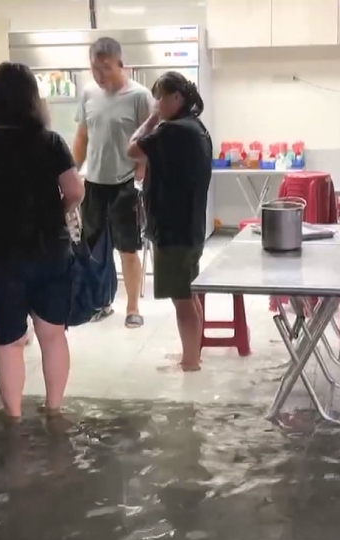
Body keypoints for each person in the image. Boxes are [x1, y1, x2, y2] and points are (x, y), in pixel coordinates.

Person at [0, 62, 85, 419]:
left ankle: (13, 415)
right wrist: (56, 211)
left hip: (1, 255)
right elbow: (75, 190)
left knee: (10, 343)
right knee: (53, 336)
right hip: (50, 250)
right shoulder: (51, 142)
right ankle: (54, 408)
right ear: (33, 99)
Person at [127, 72, 212, 372]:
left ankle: (190, 361)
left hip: (174, 229)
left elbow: (132, 150)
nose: (157, 103)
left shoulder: (173, 131)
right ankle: (192, 354)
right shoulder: (196, 128)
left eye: (161, 97)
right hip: (189, 227)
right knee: (188, 293)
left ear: (178, 97)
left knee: (182, 299)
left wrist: (151, 120)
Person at [73, 37, 153, 328]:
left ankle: (132, 307)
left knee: (127, 247)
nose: (99, 75)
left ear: (121, 65)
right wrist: (72, 172)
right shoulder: (88, 94)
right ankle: (100, 302)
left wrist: (142, 170)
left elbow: (150, 141)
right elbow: (82, 137)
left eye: (105, 68)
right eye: (94, 69)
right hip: (93, 182)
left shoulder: (140, 96)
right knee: (93, 248)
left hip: (125, 183)